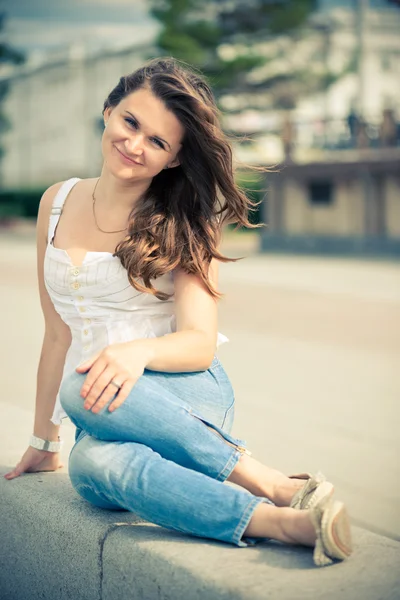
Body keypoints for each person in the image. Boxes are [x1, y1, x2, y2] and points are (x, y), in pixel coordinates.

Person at [4, 57, 352, 566]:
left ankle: (268, 480)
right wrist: (42, 440)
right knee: (91, 468)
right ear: (108, 111)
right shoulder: (54, 203)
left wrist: (136, 352)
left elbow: (199, 342)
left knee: (79, 386)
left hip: (185, 394)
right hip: (104, 406)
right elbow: (57, 333)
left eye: (158, 142)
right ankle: (281, 522)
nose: (135, 144)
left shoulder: (183, 222)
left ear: (171, 160)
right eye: (130, 122)